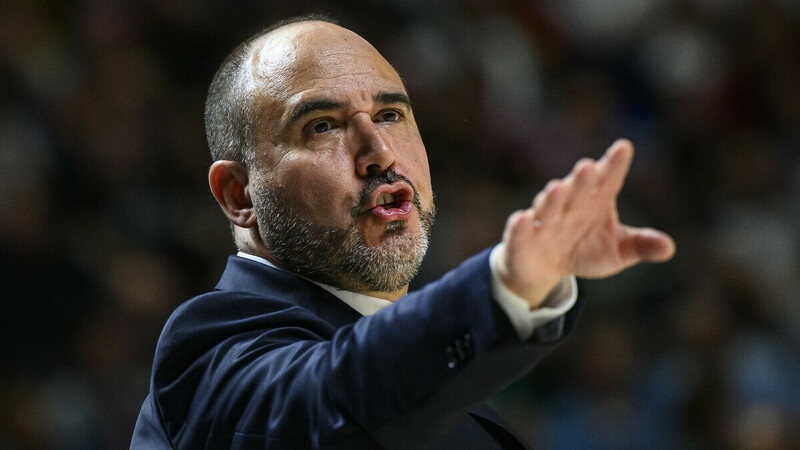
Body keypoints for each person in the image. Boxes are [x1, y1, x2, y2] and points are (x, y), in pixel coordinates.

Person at [131, 15, 675, 449]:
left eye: (390, 114)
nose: (380, 152)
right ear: (239, 195)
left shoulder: (448, 380)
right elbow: (329, 402)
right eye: (322, 126)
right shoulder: (211, 350)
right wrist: (504, 287)